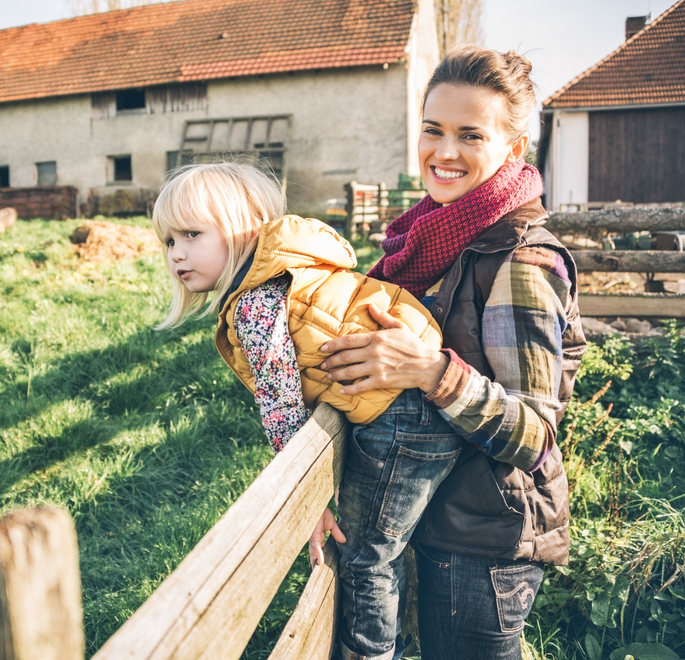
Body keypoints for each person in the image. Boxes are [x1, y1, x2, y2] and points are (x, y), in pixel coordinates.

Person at [319, 45, 588, 660]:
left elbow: (535, 435)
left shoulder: (520, 262)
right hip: (437, 514)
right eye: (433, 130)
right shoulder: (433, 239)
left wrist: (428, 369)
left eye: (471, 135)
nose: (444, 152)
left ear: (513, 149)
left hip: (485, 540)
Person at [150, 161, 462, 659]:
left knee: (366, 557)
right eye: (169, 240)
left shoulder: (255, 302)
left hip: (403, 421)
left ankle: (373, 653)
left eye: (192, 233)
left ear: (245, 226)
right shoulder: (298, 268)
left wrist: (305, 496)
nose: (177, 254)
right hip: (417, 411)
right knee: (382, 547)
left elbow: (280, 402)